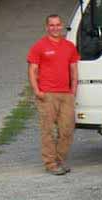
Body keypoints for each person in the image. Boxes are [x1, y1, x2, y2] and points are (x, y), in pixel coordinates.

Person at [27, 14, 78, 176]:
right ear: (47, 27)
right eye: (52, 25)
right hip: (47, 94)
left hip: (66, 94)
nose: (55, 28)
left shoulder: (69, 46)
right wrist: (37, 90)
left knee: (67, 130)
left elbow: (74, 70)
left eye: (58, 25)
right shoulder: (39, 46)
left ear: (62, 26)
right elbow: (33, 70)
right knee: (48, 130)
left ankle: (59, 160)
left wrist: (73, 90)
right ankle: (50, 163)